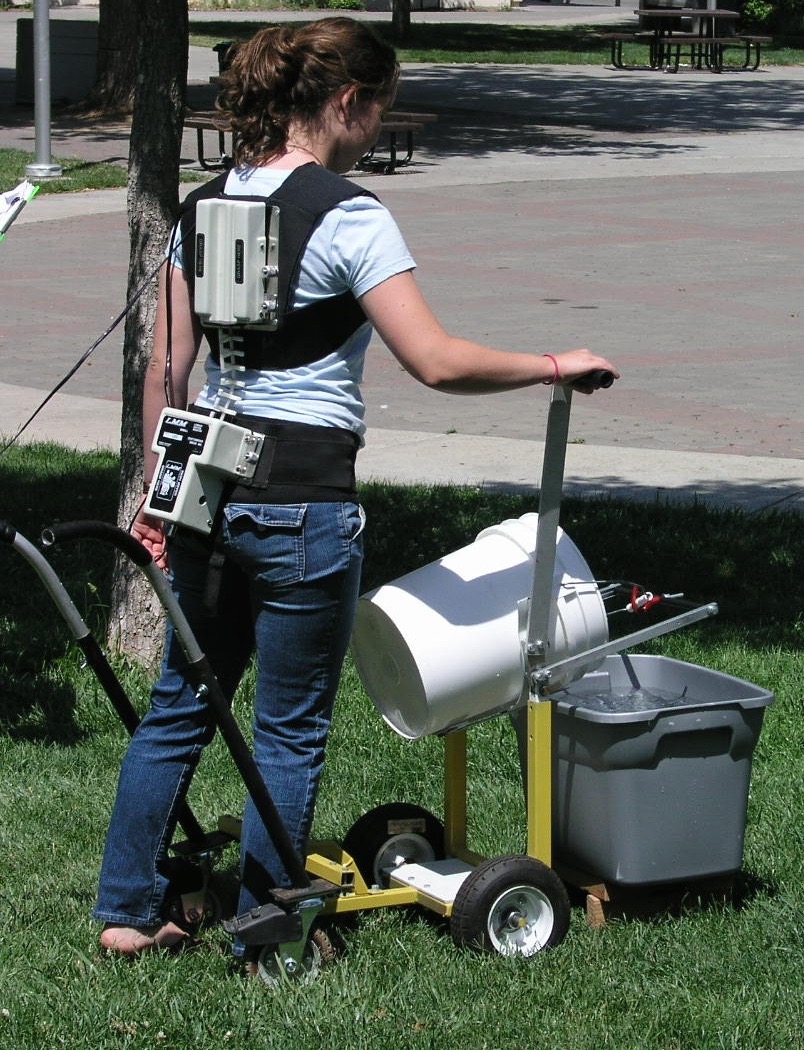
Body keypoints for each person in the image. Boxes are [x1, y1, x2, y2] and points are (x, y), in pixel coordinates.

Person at [96, 17, 619, 958]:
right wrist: (554, 363)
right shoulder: (349, 214)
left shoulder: (203, 207)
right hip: (303, 500)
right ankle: (268, 936)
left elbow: (165, 373)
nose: (376, 130)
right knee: (290, 730)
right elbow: (435, 361)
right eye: (378, 109)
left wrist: (157, 495)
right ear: (347, 102)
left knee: (180, 704)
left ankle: (126, 916)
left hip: (207, 489)